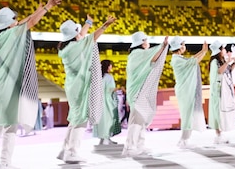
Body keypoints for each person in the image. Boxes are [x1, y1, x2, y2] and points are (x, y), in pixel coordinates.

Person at [0, 0, 62, 169]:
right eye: (14, 19)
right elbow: (29, 23)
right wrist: (47, 8)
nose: (17, 21)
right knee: (2, 127)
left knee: (2, 127)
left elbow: (22, 23)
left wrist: (38, 10)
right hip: (7, 89)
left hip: (0, 88)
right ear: (8, 22)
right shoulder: (9, 35)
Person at [57, 14, 116, 163]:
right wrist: (105, 25)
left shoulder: (68, 47)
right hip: (80, 87)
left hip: (72, 86)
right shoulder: (77, 46)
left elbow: (82, 35)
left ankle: (64, 150)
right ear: (74, 35)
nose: (80, 33)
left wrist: (88, 22)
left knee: (74, 118)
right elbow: (92, 38)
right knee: (80, 119)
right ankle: (72, 152)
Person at [123, 31, 169, 157]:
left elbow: (151, 59)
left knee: (140, 120)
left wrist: (162, 47)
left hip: (139, 90)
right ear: (141, 43)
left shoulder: (138, 54)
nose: (147, 43)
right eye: (146, 40)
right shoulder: (137, 54)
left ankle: (139, 145)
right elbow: (152, 58)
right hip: (137, 91)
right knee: (136, 121)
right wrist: (162, 46)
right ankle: (130, 147)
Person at [169, 36, 209, 149]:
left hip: (186, 89)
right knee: (187, 115)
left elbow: (191, 59)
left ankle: (185, 139)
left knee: (189, 115)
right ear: (179, 46)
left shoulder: (179, 58)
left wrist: (202, 51)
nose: (184, 46)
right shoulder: (176, 59)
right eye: (182, 44)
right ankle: (184, 140)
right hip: (185, 90)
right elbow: (193, 61)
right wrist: (204, 52)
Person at [208, 40, 235, 144]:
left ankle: (220, 133)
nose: (225, 50)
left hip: (222, 91)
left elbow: (228, 70)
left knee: (219, 112)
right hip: (218, 91)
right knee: (217, 112)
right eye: (223, 48)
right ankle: (218, 134)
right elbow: (220, 71)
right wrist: (227, 62)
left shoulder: (220, 62)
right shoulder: (214, 62)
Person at [93, 60, 120, 145]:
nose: (111, 67)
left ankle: (103, 138)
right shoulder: (108, 77)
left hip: (98, 102)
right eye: (110, 65)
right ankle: (106, 138)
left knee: (102, 120)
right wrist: (118, 88)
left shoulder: (98, 77)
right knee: (109, 120)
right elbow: (109, 90)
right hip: (107, 102)